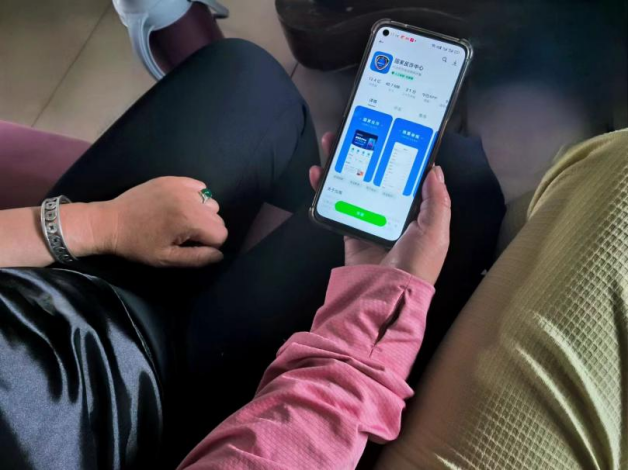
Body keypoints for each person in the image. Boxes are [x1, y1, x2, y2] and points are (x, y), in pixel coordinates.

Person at [0, 39, 503, 469]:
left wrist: (99, 224)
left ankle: (283, 217)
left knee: (243, 72)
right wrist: (366, 328)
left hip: (60, 283)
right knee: (458, 183)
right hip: (173, 434)